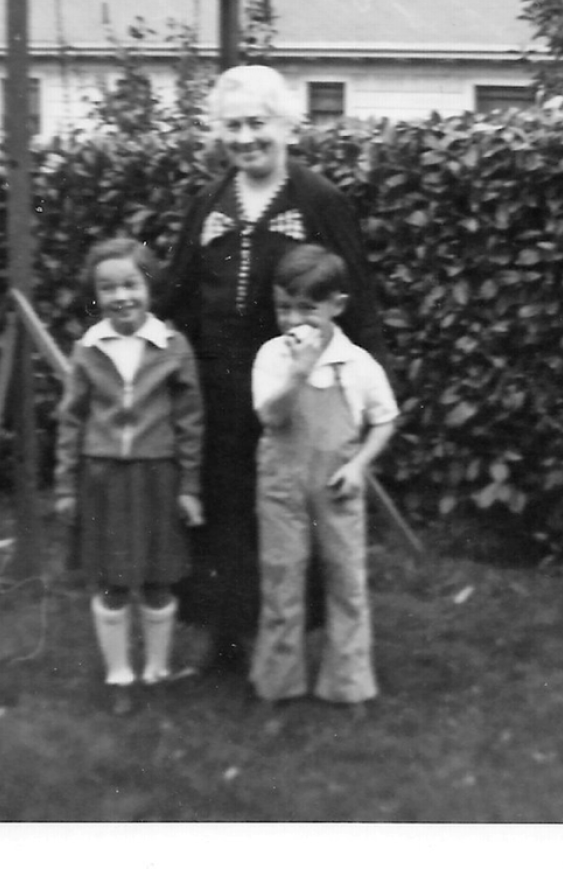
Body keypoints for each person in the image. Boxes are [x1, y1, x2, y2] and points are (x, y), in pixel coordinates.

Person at [157, 65, 386, 674]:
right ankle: (226, 638)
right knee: (225, 511)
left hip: (296, 389)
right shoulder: (208, 202)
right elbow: (176, 290)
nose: (245, 138)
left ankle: (287, 640)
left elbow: (353, 297)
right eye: (232, 126)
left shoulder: (319, 201)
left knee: (287, 515)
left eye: (257, 123)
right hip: (218, 390)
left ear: (286, 126)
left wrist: (364, 398)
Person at [54, 238, 205, 716]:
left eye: (130, 284)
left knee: (159, 578)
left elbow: (190, 422)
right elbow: (71, 420)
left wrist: (189, 486)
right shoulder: (89, 349)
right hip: (102, 480)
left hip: (157, 477)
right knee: (113, 581)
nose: (121, 296)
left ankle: (157, 669)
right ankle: (119, 673)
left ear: (149, 287)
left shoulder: (173, 347)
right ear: (96, 294)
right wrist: (65, 484)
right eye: (108, 287)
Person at [249, 244, 398, 705]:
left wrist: (358, 465)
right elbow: (271, 417)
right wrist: (297, 373)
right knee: (282, 580)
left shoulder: (357, 365)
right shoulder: (273, 357)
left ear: (337, 306)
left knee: (346, 581)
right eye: (283, 308)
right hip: (282, 485)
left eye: (306, 310)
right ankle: (279, 684)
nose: (293, 321)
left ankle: (348, 685)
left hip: (338, 486)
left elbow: (385, 418)